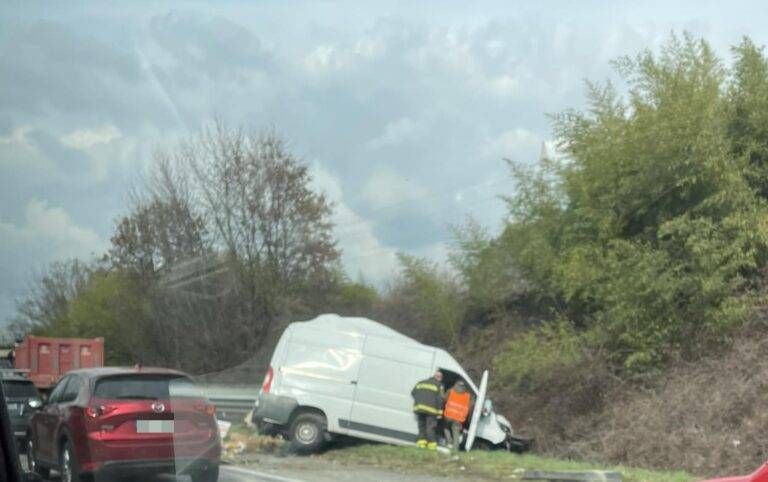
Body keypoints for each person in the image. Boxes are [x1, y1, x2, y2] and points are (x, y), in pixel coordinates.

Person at [411, 369, 444, 449]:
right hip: (431, 411)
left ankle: (421, 444)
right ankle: (432, 445)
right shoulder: (439, 386)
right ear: (439, 378)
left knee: (421, 427)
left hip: (420, 409)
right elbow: (440, 400)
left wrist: (419, 401)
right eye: (440, 377)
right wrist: (439, 413)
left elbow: (413, 393)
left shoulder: (421, 382)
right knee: (430, 428)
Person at [443, 379, 473, 451]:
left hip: (448, 416)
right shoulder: (468, 395)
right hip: (459, 418)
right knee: (456, 434)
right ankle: (455, 450)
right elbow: (470, 406)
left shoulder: (450, 391)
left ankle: (449, 441)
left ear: (455, 384)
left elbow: (444, 399)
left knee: (445, 428)